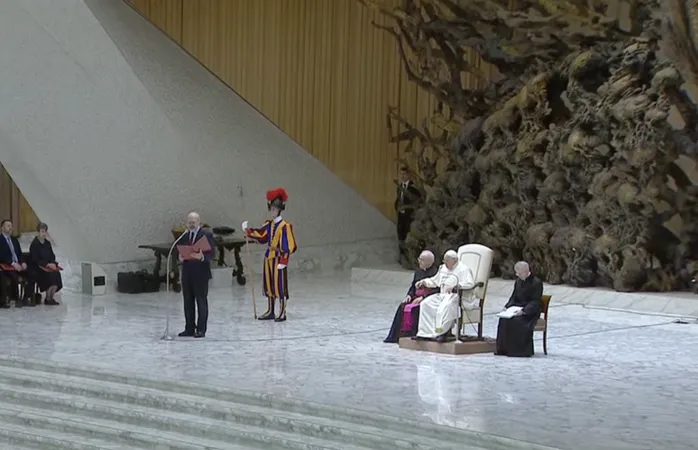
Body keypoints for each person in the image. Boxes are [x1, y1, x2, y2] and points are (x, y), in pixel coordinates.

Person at [242, 187, 297, 322]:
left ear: (279, 209)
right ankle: (270, 310)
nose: (272, 212)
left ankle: (282, 312)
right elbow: (262, 235)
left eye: (274, 209)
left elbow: (290, 245)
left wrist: (284, 261)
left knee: (280, 285)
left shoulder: (285, 226)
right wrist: (248, 231)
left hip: (279, 258)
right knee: (270, 285)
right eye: (271, 209)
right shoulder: (268, 224)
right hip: (269, 258)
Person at [414, 250, 474, 341]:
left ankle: (441, 332)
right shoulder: (443, 268)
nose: (445, 263)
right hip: (442, 295)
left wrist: (458, 286)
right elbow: (435, 281)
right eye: (444, 260)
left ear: (454, 260)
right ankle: (425, 333)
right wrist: (424, 282)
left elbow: (470, 283)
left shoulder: (463, 269)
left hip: (455, 296)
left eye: (447, 261)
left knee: (444, 308)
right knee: (425, 304)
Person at [383, 250, 439, 343]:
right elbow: (413, 286)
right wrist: (409, 295)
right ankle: (395, 336)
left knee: (416, 309)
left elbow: (437, 289)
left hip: (428, 298)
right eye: (419, 259)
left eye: (422, 260)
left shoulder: (436, 273)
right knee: (402, 306)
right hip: (415, 297)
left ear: (429, 262)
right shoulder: (418, 271)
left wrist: (423, 297)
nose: (419, 262)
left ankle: (412, 334)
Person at [178, 212, 215, 338]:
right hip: (187, 273)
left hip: (201, 274)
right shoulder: (185, 235)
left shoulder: (206, 235)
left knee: (201, 301)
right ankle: (189, 328)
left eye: (193, 222)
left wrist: (202, 257)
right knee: (188, 302)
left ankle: (201, 329)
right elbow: (181, 250)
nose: (191, 225)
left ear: (199, 222)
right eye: (189, 222)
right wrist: (180, 257)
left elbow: (212, 253)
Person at [495, 261, 543, 357]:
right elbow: (514, 297)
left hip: (530, 311)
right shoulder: (518, 281)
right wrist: (507, 307)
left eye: (519, 273)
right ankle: (504, 349)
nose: (517, 275)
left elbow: (535, 301)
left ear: (526, 271)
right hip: (517, 308)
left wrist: (524, 311)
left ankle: (519, 351)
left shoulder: (536, 283)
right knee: (504, 319)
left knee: (517, 321)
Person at [0, 219, 31, 308]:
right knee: (14, 276)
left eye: (11, 226)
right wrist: (13, 263)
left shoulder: (14, 240)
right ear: (2, 228)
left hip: (18, 265)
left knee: (32, 273)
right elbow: (2, 255)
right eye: (8, 226)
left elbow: (19, 254)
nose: (10, 228)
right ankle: (16, 299)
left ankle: (26, 297)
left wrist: (23, 262)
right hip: (6, 266)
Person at [29, 222, 62, 305]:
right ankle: (47, 297)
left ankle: (51, 297)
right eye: (42, 231)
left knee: (56, 274)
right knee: (49, 275)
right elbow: (35, 259)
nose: (44, 233)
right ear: (38, 232)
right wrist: (46, 264)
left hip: (49, 266)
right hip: (38, 267)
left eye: (45, 231)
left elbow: (52, 255)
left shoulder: (47, 243)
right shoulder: (35, 244)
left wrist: (53, 263)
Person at [395, 167, 421, 262]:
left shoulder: (413, 188)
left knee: (408, 236)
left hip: (409, 217)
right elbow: (398, 199)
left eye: (404, 174)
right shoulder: (399, 187)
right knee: (400, 235)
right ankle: (402, 256)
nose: (402, 176)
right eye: (400, 174)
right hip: (401, 216)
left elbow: (416, 202)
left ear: (409, 175)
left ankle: (409, 257)